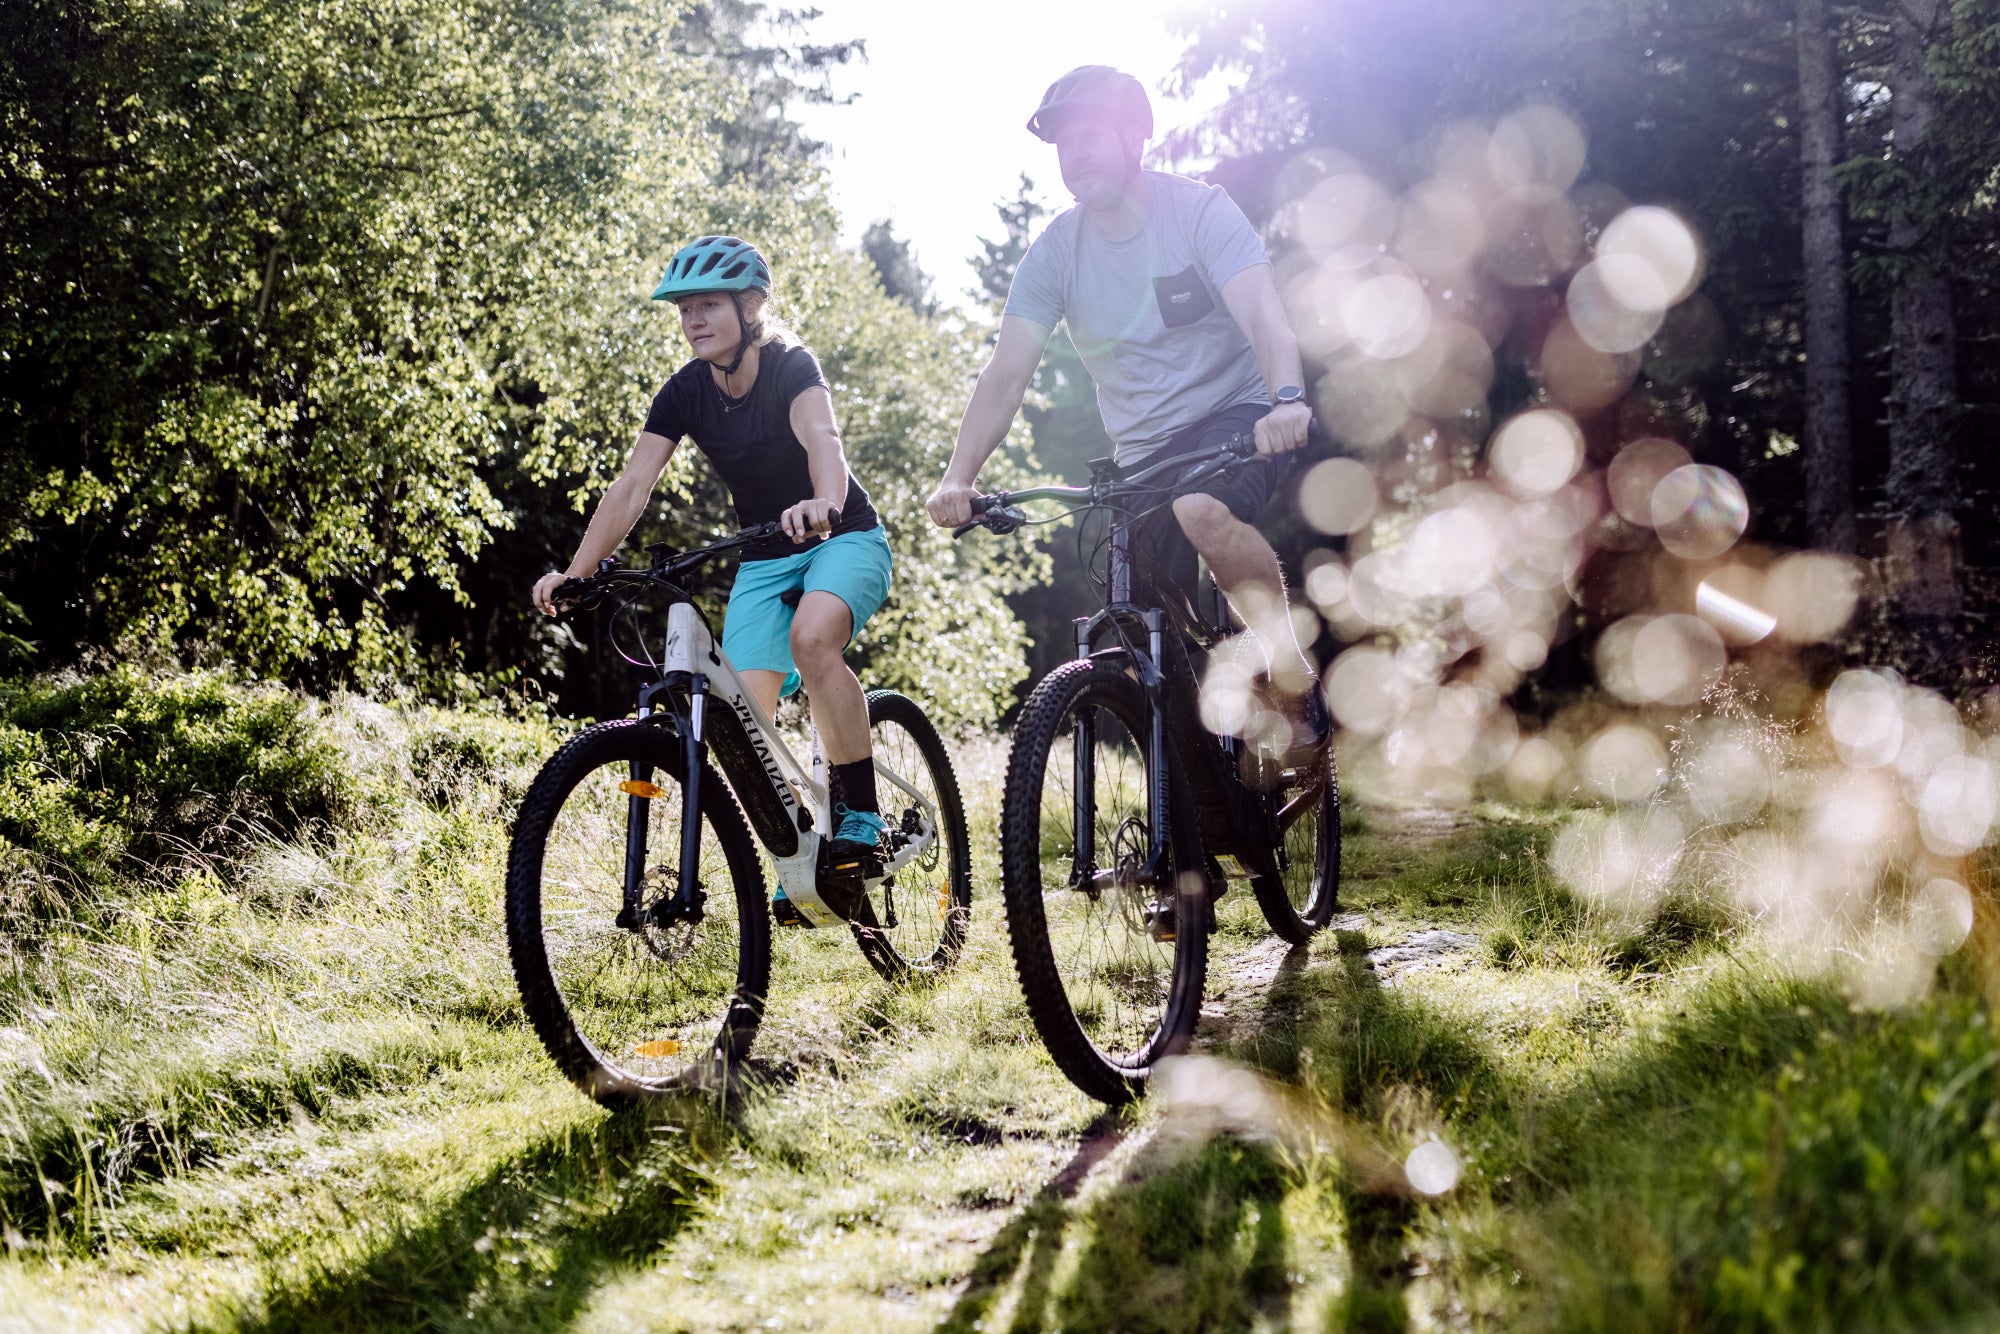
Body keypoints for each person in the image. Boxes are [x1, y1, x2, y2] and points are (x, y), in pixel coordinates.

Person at [925, 65, 1327, 756]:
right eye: (1063, 143)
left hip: (1236, 415)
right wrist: (958, 476)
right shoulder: (1054, 252)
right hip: (1143, 455)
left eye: (1091, 134)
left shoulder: (1198, 211)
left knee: (1201, 509)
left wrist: (1286, 397)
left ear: (1135, 136)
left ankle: (1286, 663)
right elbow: (1006, 372)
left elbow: (1263, 313)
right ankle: (1193, 827)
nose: (1076, 152)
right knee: (1143, 631)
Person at [532, 235, 895, 915]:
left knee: (814, 640)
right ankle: (812, 855)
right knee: (743, 728)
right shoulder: (687, 392)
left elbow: (825, 440)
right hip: (764, 557)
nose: (693, 319)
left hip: (842, 536)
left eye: (707, 305)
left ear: (751, 305)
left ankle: (862, 816)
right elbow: (633, 484)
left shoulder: (789, 365)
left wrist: (823, 503)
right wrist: (579, 574)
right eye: (684, 309)